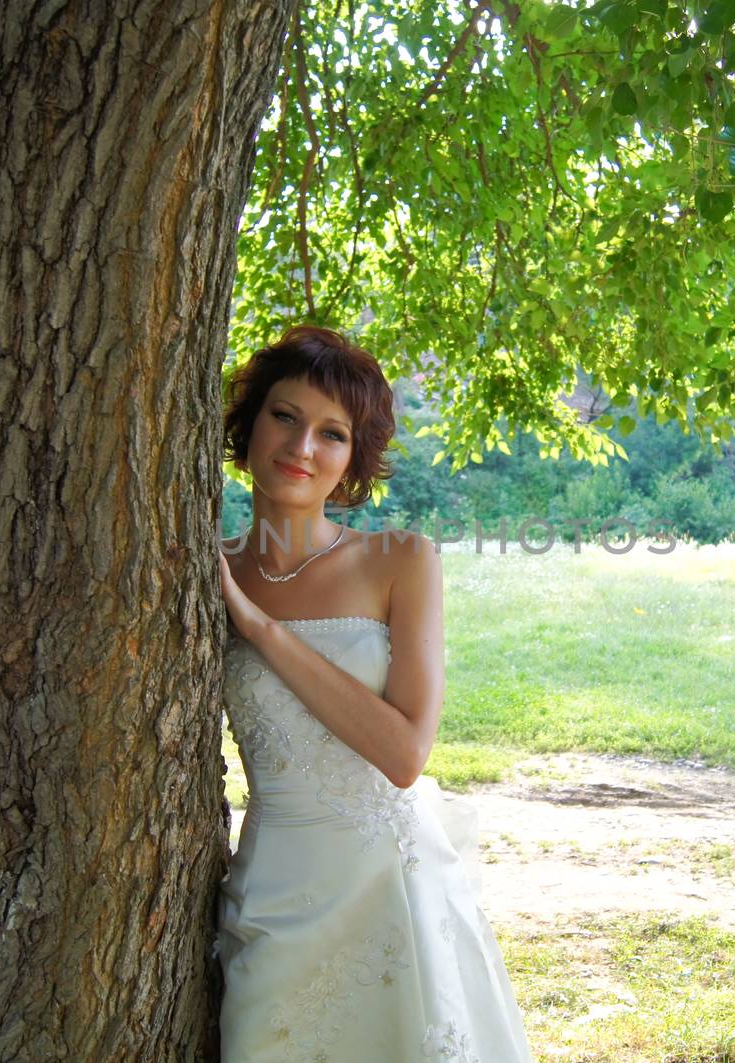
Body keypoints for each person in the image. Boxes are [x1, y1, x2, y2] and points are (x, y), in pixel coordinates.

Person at [212, 325, 534, 1062]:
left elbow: (404, 752)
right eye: (285, 416)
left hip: (389, 888)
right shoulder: (208, 569)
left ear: (353, 457)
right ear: (250, 423)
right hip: (272, 896)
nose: (302, 448)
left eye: (332, 433)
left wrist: (261, 628)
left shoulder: (400, 561)